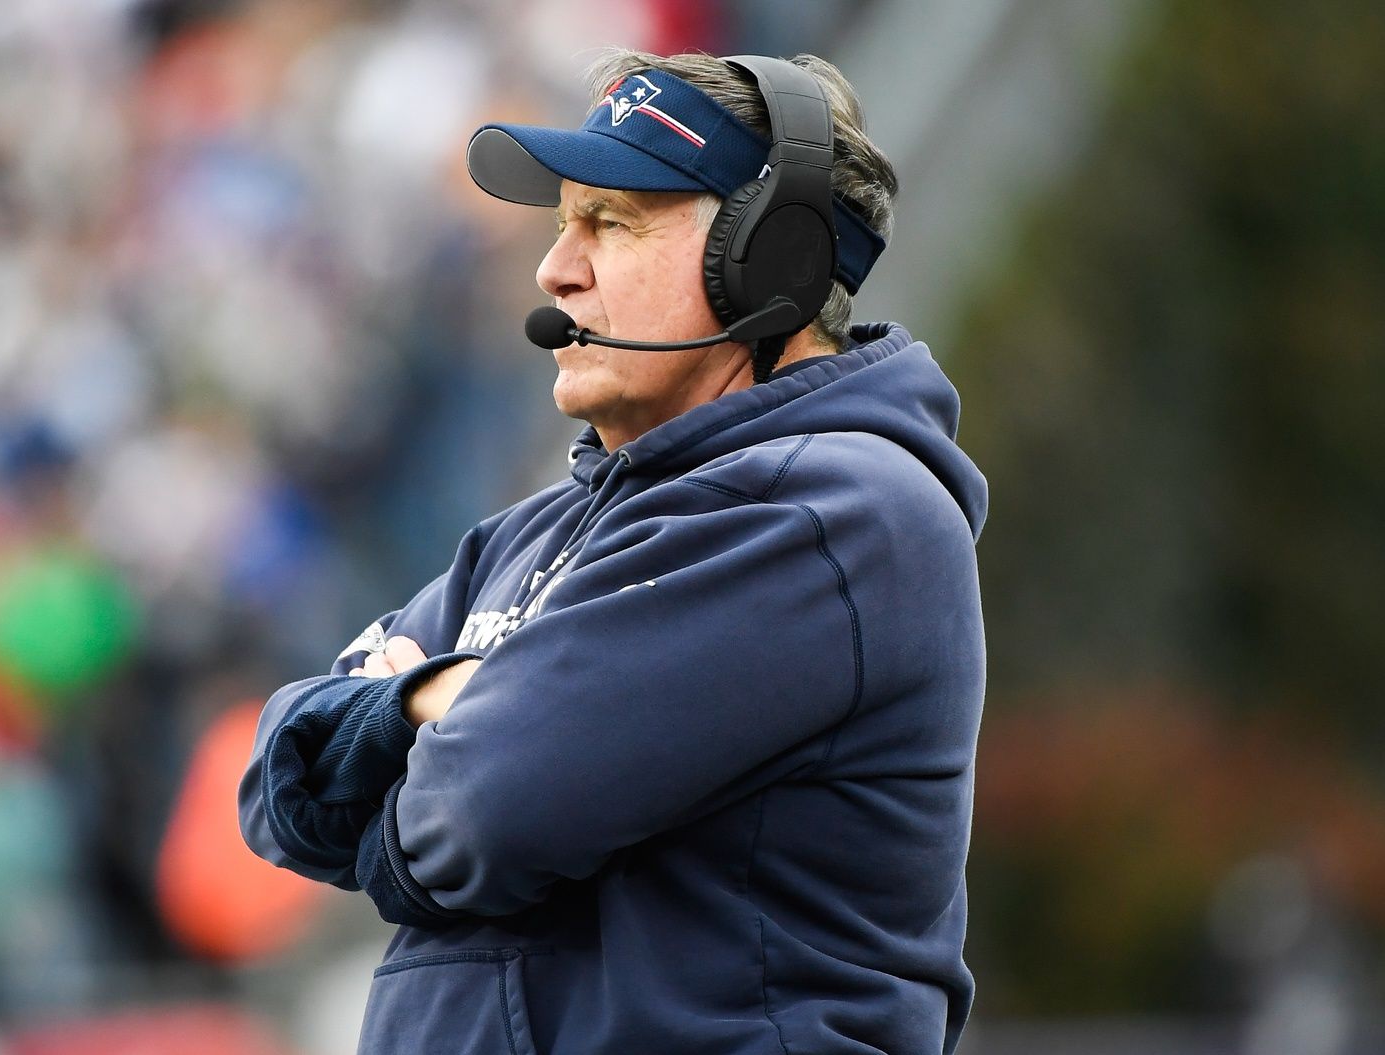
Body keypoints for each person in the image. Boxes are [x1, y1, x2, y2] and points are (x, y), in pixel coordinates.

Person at [239, 48, 988, 1055]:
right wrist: (436, 701)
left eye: (612, 221)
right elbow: (280, 784)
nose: (556, 268)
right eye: (562, 222)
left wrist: (434, 723)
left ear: (771, 261)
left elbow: (480, 812)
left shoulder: (835, 511)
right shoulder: (535, 532)